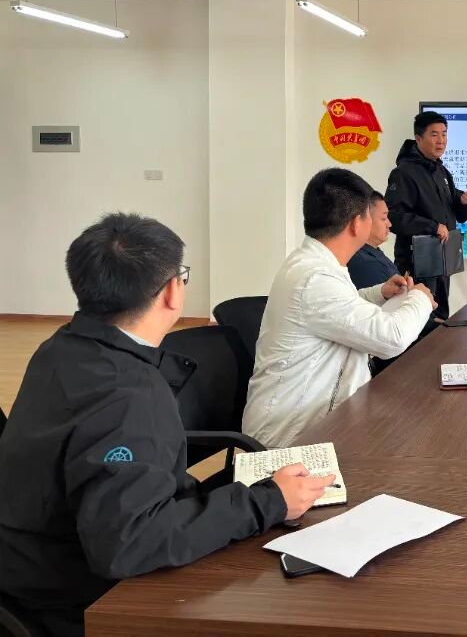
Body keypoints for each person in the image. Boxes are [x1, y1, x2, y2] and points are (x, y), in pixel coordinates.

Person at [0, 213, 334, 637]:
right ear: (174, 291)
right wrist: (268, 503)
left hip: (28, 564)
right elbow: (128, 544)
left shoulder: (60, 346)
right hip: (76, 600)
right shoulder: (128, 395)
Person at [243, 168, 436, 448]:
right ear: (357, 223)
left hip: (322, 423)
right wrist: (419, 298)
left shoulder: (316, 264)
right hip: (290, 442)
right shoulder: (314, 277)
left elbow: (339, 309)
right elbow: (391, 338)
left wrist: (378, 293)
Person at [386, 111, 467, 319]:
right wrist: (432, 226)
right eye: (434, 135)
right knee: (419, 322)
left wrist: (465, 202)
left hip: (442, 261)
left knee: (440, 317)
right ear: (418, 138)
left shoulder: (441, 172)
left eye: (444, 134)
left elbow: (458, 215)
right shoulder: (404, 173)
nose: (441, 140)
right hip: (417, 263)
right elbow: (394, 217)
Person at [346, 191, 438, 377]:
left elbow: (359, 299)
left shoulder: (373, 253)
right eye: (384, 218)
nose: (389, 224)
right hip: (393, 359)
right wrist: (420, 300)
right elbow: (392, 333)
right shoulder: (363, 263)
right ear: (360, 221)